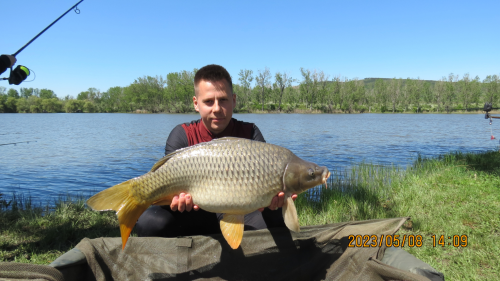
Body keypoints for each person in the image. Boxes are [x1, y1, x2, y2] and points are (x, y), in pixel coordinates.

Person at [136, 64, 297, 238]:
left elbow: (268, 188)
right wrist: (175, 200)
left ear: (234, 100)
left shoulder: (250, 133)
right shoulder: (182, 135)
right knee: (149, 222)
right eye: (208, 101)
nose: (217, 108)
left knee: (276, 217)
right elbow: (169, 189)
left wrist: (274, 200)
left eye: (223, 100)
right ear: (196, 104)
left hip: (242, 211)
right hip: (193, 213)